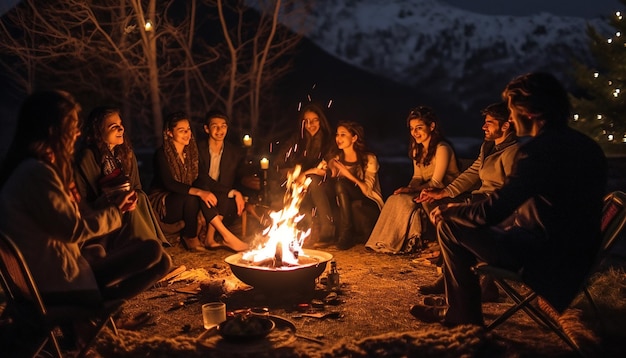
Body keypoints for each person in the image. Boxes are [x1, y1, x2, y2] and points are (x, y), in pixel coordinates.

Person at [408, 72, 608, 327]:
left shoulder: (536, 153)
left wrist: (452, 210)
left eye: (513, 110)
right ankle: (464, 299)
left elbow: (494, 211)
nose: (510, 117)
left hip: (544, 257)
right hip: (575, 254)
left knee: (450, 226)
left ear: (529, 111)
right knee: (464, 225)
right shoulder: (588, 147)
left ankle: (461, 314)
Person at [0, 90, 172, 309]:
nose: (77, 134)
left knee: (160, 260)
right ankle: (97, 310)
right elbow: (73, 230)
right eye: (72, 126)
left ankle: (98, 313)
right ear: (54, 130)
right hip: (57, 285)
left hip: (56, 274)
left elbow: (65, 223)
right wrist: (116, 211)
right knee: (152, 251)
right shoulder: (36, 173)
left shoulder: (32, 170)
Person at [414, 101, 519, 299]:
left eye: (489, 123)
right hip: (480, 201)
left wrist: (476, 206)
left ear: (505, 126)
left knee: (452, 222)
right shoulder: (489, 147)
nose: (484, 126)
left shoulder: (513, 152)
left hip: (496, 209)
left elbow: (511, 192)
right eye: (484, 122)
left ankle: (479, 285)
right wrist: (444, 192)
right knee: (448, 218)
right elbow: (472, 173)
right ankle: (456, 280)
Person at [148, 111, 248, 252]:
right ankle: (193, 237)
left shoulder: (191, 153)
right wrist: (200, 192)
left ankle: (212, 239)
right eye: (181, 131)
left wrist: (232, 192)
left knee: (207, 191)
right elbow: (169, 183)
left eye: (188, 129)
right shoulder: (162, 154)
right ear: (170, 133)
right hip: (164, 203)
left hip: (186, 199)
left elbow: (203, 178)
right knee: (194, 195)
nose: (187, 134)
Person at [365, 106, 459, 254]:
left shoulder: (442, 148)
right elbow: (417, 177)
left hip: (444, 192)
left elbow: (436, 182)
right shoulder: (418, 149)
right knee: (395, 198)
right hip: (426, 189)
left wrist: (411, 191)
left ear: (432, 126)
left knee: (411, 199)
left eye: (419, 128)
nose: (415, 133)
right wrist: (406, 190)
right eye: (412, 128)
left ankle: (405, 242)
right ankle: (382, 242)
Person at [74, 106, 170, 249]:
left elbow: (136, 186)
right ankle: (147, 250)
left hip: (125, 202)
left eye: (121, 125)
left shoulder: (125, 153)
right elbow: (88, 198)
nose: (121, 129)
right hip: (100, 208)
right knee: (128, 201)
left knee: (139, 197)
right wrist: (118, 197)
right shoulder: (89, 156)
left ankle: (152, 248)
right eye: (114, 127)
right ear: (99, 131)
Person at [275, 103, 336, 246]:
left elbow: (326, 169)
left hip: (324, 184)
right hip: (299, 183)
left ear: (321, 120)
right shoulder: (297, 140)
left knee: (313, 181)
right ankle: (295, 233)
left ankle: (328, 232)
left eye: (314, 120)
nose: (310, 124)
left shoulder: (329, 140)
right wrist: (293, 175)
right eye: (306, 121)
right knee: (294, 186)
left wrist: (306, 175)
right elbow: (278, 163)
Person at [325, 121, 384, 250]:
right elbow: (323, 167)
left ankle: (347, 233)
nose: (338, 138)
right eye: (337, 135)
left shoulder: (368, 158)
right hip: (348, 204)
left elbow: (367, 190)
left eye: (343, 135)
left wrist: (346, 173)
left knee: (341, 184)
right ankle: (330, 230)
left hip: (368, 203)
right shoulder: (337, 158)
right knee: (333, 186)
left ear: (354, 138)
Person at [197, 110, 247, 246]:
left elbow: (238, 177)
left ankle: (210, 238)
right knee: (210, 189)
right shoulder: (197, 149)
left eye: (223, 126)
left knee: (224, 195)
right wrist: (232, 192)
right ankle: (226, 236)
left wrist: (237, 192)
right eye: (215, 126)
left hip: (220, 193)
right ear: (207, 129)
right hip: (201, 189)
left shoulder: (233, 152)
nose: (220, 130)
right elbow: (200, 177)